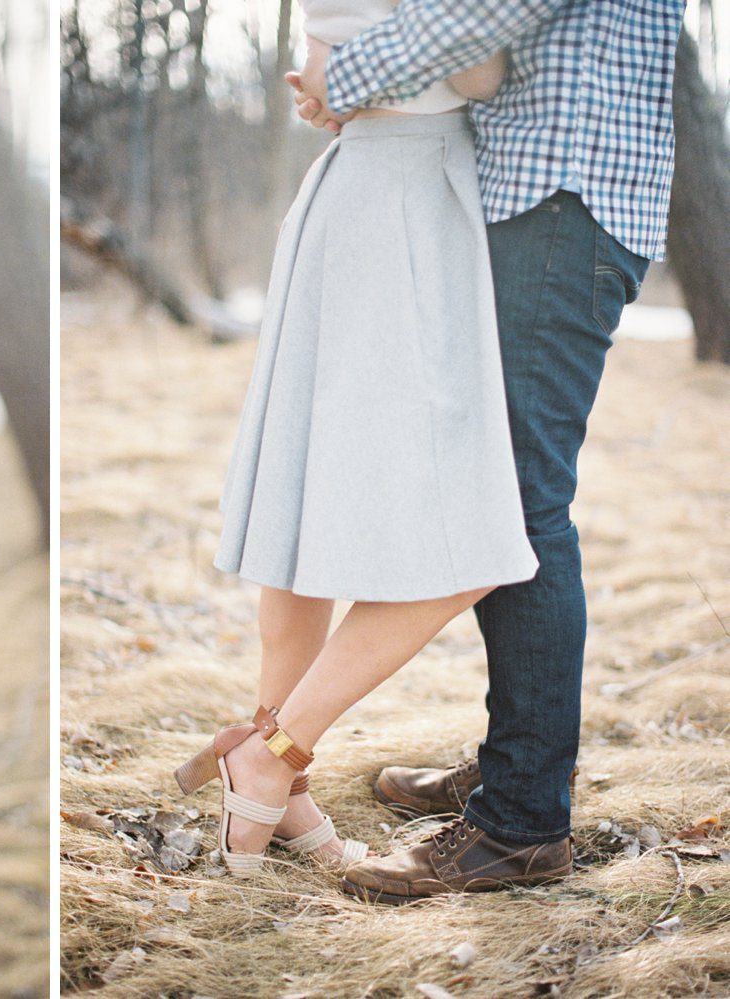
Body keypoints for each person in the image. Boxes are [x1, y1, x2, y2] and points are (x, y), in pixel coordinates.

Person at [260, 0, 680, 902]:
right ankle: (514, 765)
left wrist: (349, 75)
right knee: (505, 490)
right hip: (545, 193)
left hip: (564, 197)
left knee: (519, 504)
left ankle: (521, 822)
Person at [175, 0, 540, 876]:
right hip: (409, 207)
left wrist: (357, 72)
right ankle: (273, 755)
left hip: (357, 190)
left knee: (305, 504)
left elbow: (319, 72)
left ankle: (277, 788)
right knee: (477, 542)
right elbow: (481, 73)